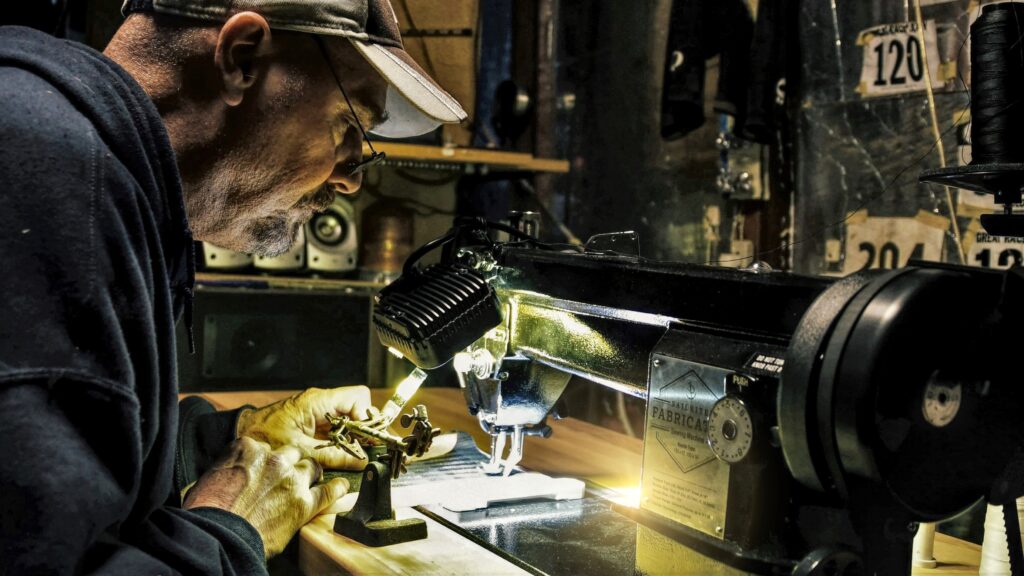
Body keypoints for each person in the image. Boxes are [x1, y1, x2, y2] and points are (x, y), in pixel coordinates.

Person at [0, 0, 466, 573]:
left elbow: (56, 465)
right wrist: (229, 529)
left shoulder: (92, 167)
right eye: (348, 126)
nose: (348, 177)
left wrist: (224, 438)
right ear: (242, 57)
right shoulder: (49, 179)